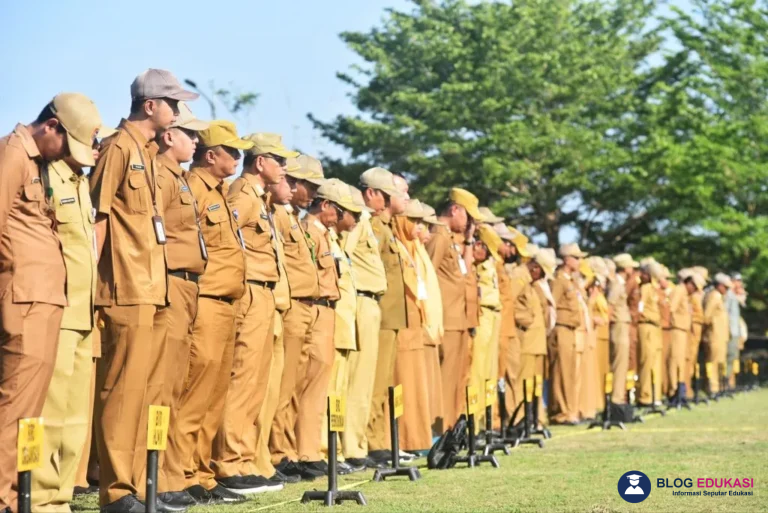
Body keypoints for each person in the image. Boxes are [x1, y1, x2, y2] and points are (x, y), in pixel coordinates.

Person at [90, 69, 198, 513]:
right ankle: (115, 493)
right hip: (124, 286)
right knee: (122, 392)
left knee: (141, 393)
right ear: (150, 105)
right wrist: (86, 286)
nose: (178, 112)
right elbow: (96, 218)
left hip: (153, 288)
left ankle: (133, 487)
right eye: (173, 103)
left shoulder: (148, 155)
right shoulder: (118, 147)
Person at [25, 98, 107, 513]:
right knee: (50, 412)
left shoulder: (77, 180)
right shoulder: (44, 175)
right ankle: (38, 499)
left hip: (83, 310)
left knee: (75, 417)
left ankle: (61, 497)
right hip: (55, 308)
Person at [214, 133, 296, 494]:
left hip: (265, 293)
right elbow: (224, 240)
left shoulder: (259, 199)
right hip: (249, 290)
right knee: (243, 379)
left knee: (257, 384)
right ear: (260, 162)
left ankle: (245, 458)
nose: (284, 168)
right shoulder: (241, 195)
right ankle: (230, 463)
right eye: (279, 160)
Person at [177, 120, 251, 504]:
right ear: (211, 155)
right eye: (232, 151)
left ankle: (203, 473)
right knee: (195, 391)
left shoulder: (221, 193)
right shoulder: (192, 189)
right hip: (205, 300)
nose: (238, 158)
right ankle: (180, 473)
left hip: (228, 303)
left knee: (214, 396)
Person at [153, 103, 209, 507]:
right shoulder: (159, 173)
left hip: (187, 285)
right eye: (191, 134)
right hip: (168, 284)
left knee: (175, 385)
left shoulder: (181, 178)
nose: (197, 142)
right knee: (159, 387)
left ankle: (169, 476)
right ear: (169, 135)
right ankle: (153, 478)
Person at [269, 155, 325, 481]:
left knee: (293, 387)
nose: (312, 194)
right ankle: (278, 453)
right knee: (283, 387)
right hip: (290, 308)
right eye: (308, 186)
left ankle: (286, 450)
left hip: (305, 308)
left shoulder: (292, 216)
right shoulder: (278, 214)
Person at [303, 179, 358, 472]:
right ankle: (320, 449)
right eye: (339, 211)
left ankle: (328, 449)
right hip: (319, 314)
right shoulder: (310, 232)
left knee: (332, 389)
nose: (342, 218)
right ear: (325, 205)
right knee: (319, 390)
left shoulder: (328, 237)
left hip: (334, 316)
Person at [361, 168, 408, 465]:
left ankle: (379, 439)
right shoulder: (375, 227)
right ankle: (370, 440)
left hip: (390, 318)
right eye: (391, 194)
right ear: (372, 194)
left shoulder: (386, 227)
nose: (398, 199)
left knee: (384, 383)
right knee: (374, 383)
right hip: (379, 316)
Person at [253, 172, 296, 485]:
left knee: (273, 391)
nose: (291, 187)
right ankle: (243, 461)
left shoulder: (274, 211)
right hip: (256, 298)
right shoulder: (246, 195)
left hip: (278, 304)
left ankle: (259, 459)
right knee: (254, 389)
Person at [341, 186, 387, 470]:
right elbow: (343, 256)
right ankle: (351, 447)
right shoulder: (359, 221)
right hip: (359, 300)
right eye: (387, 194)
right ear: (372, 193)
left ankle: (356, 443)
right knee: (356, 382)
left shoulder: (367, 221)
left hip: (371, 302)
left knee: (366, 381)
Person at [428, 188, 481, 431]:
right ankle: (439, 429)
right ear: (455, 210)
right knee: (445, 379)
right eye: (469, 218)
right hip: (447, 319)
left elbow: (464, 274)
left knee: (456, 381)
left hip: (458, 319)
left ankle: (450, 427)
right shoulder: (439, 237)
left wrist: (469, 239)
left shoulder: (450, 238)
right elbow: (427, 275)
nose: (471, 224)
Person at [391, 198, 431, 451]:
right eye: (413, 221)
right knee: (401, 383)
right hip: (400, 322)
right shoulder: (395, 242)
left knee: (415, 385)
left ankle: (414, 439)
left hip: (414, 322)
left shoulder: (410, 248)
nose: (418, 227)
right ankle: (400, 441)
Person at [413, 203, 444, 437]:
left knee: (430, 386)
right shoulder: (412, 249)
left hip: (431, 327)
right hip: (420, 325)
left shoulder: (419, 249)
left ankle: (429, 433)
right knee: (418, 386)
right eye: (424, 226)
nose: (429, 234)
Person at [509, 244, 548, 425]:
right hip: (526, 339)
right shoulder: (519, 276)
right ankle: (519, 419)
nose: (542, 278)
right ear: (535, 267)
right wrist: (526, 319)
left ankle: (533, 417)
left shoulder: (531, 283)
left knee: (534, 383)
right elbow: (509, 303)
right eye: (542, 273)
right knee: (522, 382)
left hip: (536, 341)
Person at [549, 244, 587, 425]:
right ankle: (562, 412)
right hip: (561, 328)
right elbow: (552, 305)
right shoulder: (559, 280)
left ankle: (570, 409)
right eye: (576, 258)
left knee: (570, 373)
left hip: (571, 329)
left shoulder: (570, 280)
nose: (579, 261)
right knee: (561, 373)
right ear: (566, 259)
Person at [471, 224, 503, 430]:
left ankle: (483, 419)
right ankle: (472, 421)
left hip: (491, 316)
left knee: (488, 372)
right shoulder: (473, 264)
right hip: (481, 315)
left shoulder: (487, 264)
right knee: (476, 371)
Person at [608, 254, 637, 403]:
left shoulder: (620, 283)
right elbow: (610, 306)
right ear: (626, 268)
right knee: (619, 364)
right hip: (618, 325)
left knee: (623, 363)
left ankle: (619, 397)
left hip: (622, 324)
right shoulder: (616, 284)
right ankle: (616, 399)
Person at [636, 263, 662, 406]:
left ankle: (655, 395)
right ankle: (645, 396)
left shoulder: (654, 289)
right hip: (646, 326)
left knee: (655, 362)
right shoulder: (645, 289)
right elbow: (640, 308)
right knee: (646, 361)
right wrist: (650, 317)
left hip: (655, 328)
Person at [668, 272, 698, 397]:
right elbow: (671, 309)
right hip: (677, 329)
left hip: (683, 330)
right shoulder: (679, 291)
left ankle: (680, 389)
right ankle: (674, 389)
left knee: (681, 361)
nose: (695, 290)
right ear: (689, 283)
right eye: (694, 287)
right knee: (675, 360)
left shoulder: (686, 294)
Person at [702, 273, 731, 394]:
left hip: (721, 336)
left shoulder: (719, 297)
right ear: (719, 285)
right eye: (726, 287)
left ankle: (720, 386)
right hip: (714, 335)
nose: (727, 290)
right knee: (713, 362)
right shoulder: (713, 296)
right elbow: (707, 316)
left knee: (720, 362)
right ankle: (713, 388)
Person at [725, 274, 742, 384]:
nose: (739, 284)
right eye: (738, 281)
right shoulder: (728, 295)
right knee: (729, 357)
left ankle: (730, 382)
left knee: (733, 357)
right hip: (730, 331)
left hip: (735, 331)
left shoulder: (734, 295)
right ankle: (725, 382)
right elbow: (725, 313)